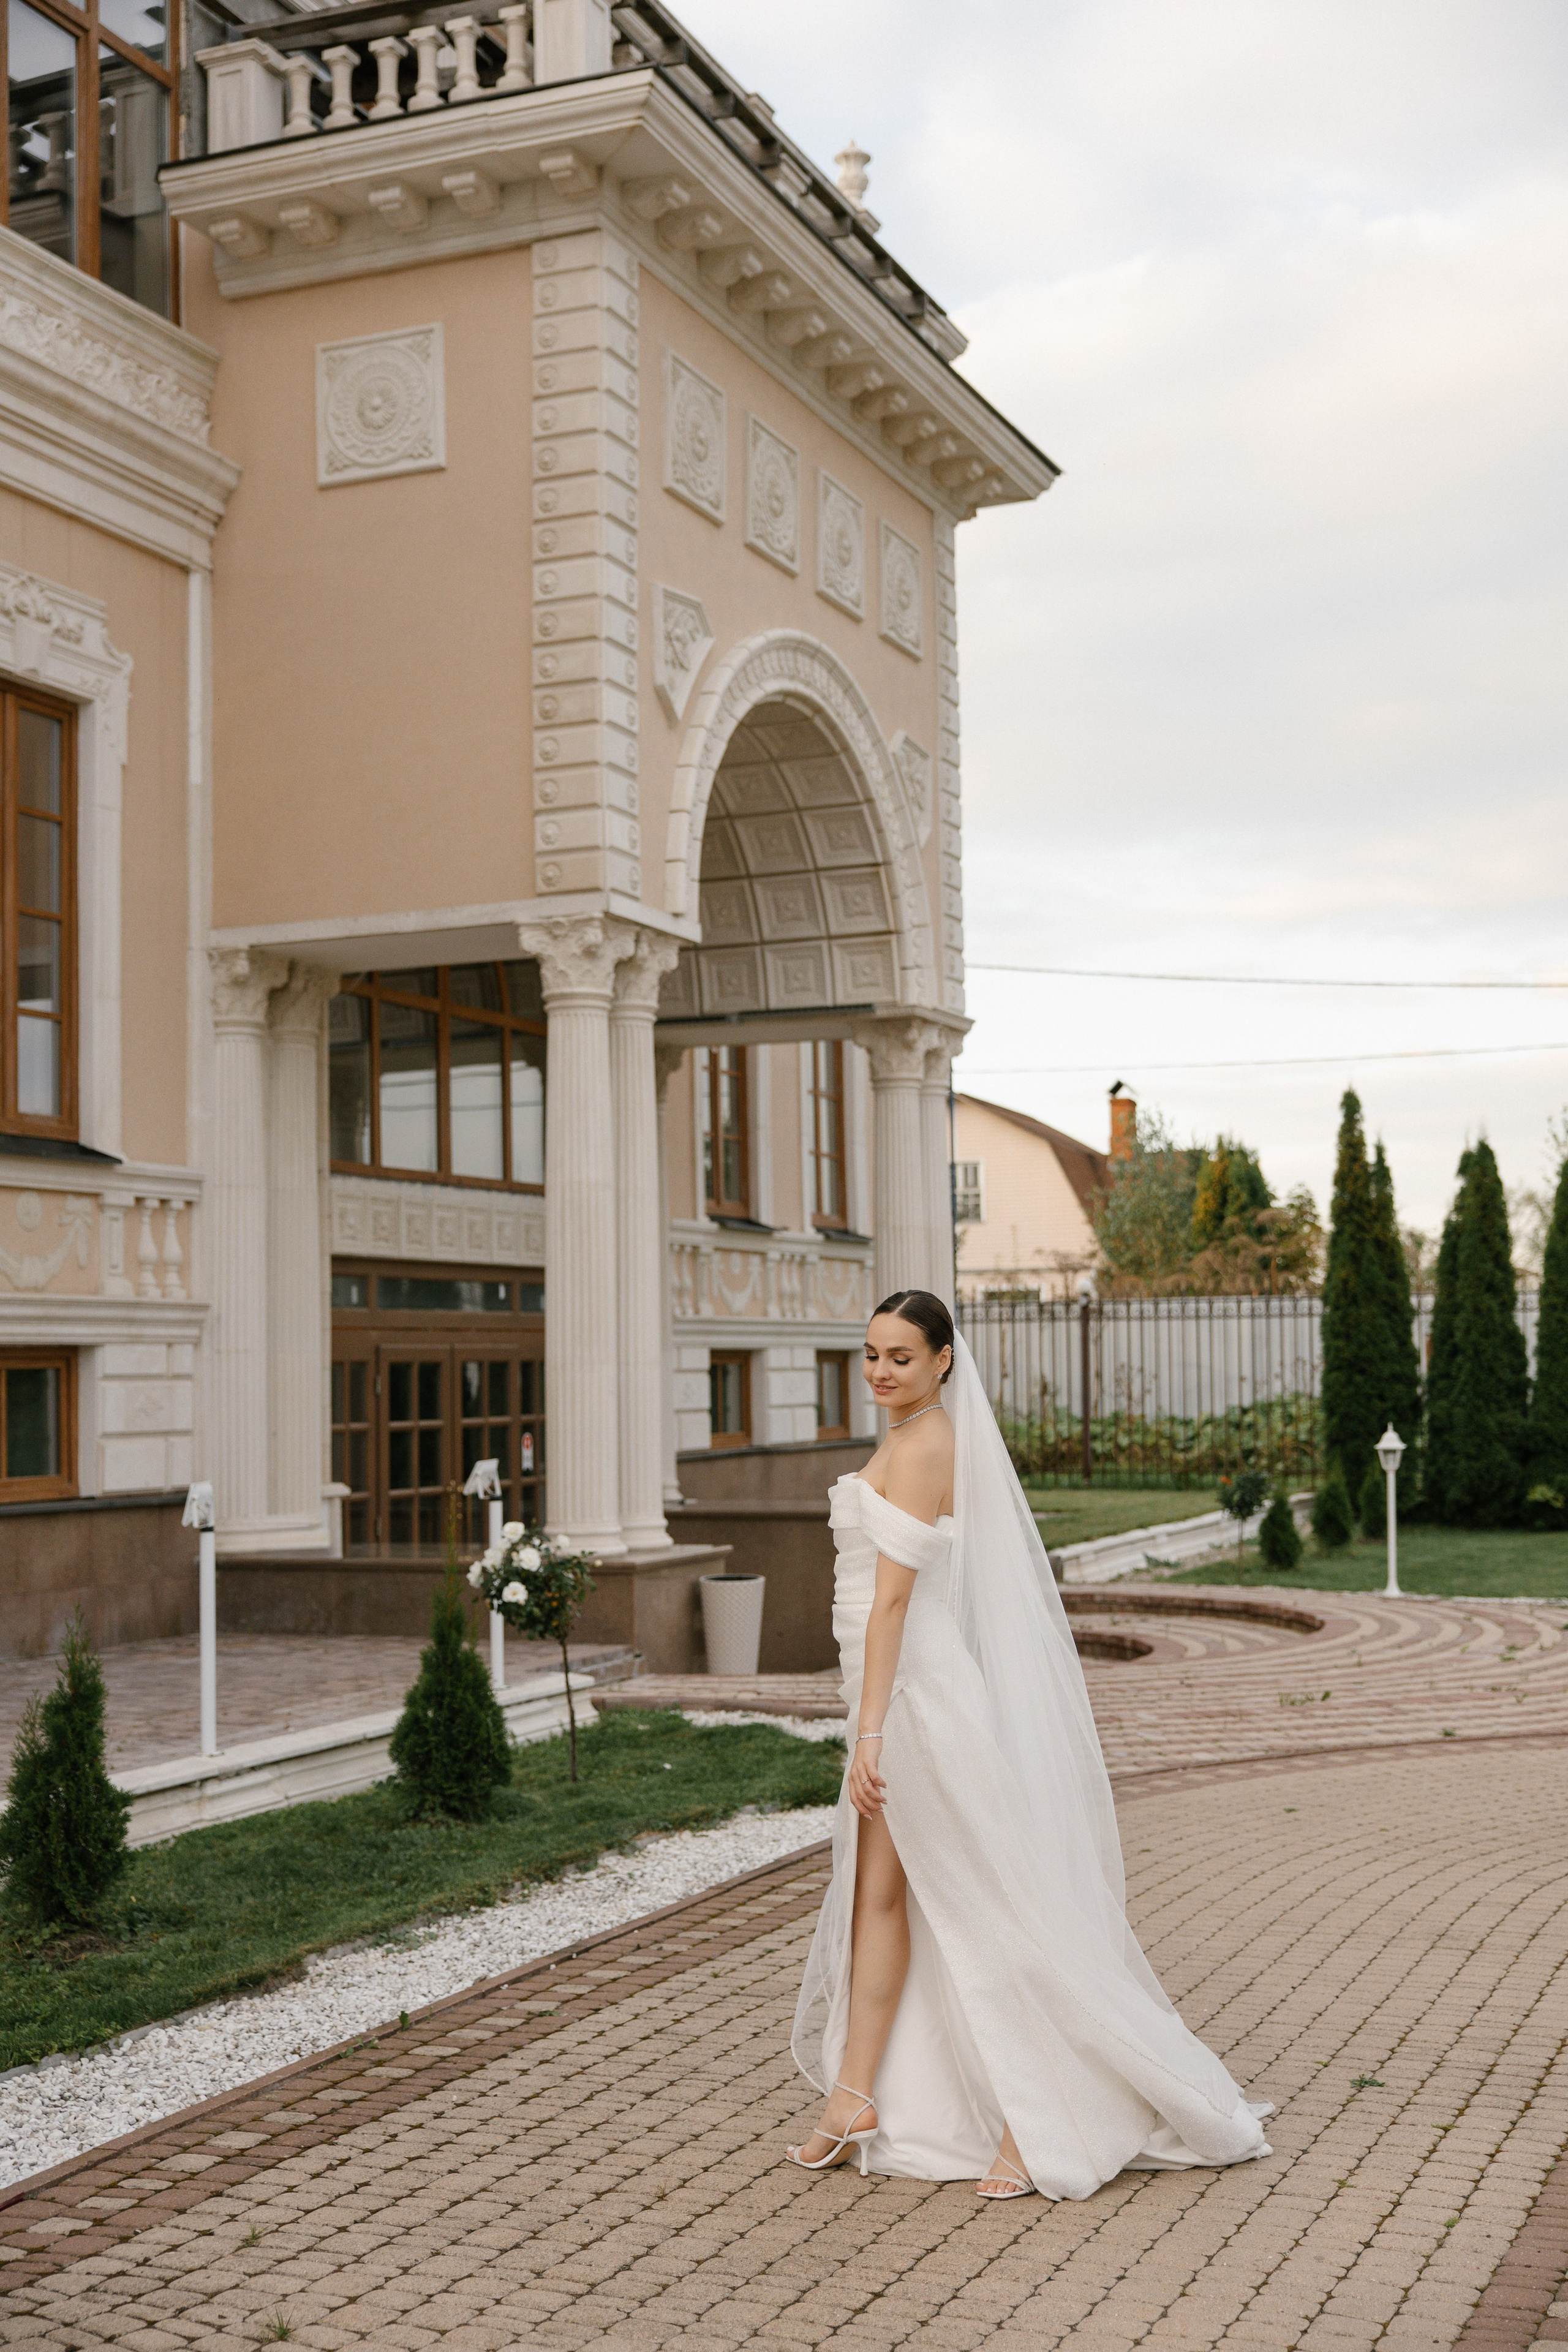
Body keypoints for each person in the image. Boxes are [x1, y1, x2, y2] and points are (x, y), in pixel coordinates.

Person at [786, 1288, 1272, 2200]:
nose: (880, 1371)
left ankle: (1039, 2118)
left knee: (988, 1907)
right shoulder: (904, 1435)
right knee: (876, 1900)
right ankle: (853, 2097)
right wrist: (865, 1714)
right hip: (885, 1696)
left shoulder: (927, 1445)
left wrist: (873, 1730)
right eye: (871, 1354)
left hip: (917, 1702)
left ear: (943, 1361)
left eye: (900, 1356)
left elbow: (893, 1603)